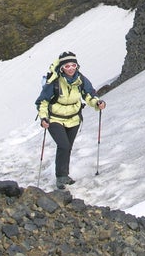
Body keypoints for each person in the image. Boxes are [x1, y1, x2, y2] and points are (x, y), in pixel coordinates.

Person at [35, 51, 106, 189]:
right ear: (62, 68)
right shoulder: (54, 82)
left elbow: (89, 95)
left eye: (73, 65)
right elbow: (42, 101)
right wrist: (43, 117)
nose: (71, 68)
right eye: (67, 66)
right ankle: (61, 178)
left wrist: (97, 103)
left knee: (67, 147)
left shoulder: (81, 80)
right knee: (64, 145)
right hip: (54, 119)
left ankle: (64, 175)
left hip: (74, 119)